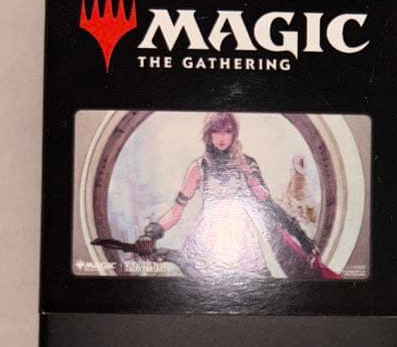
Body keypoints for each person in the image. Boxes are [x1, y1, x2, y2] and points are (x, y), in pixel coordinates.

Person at [134, 112, 337, 280]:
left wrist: (302, 238)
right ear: (208, 134)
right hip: (207, 239)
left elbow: (268, 206)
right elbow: (176, 212)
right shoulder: (198, 168)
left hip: (244, 241)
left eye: (228, 131)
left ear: (234, 134)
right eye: (216, 131)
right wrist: (150, 234)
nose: (222, 137)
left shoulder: (248, 164)